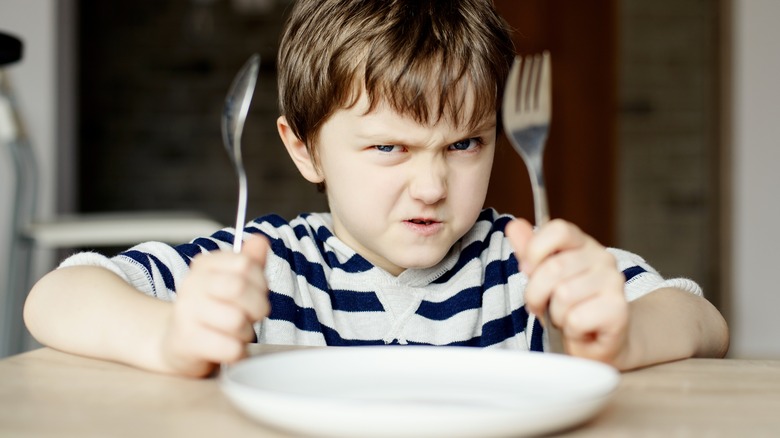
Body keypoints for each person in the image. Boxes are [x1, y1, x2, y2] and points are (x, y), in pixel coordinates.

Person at [23, 0, 729, 378]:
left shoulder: (526, 268)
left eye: (464, 144)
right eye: (389, 147)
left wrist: (618, 337)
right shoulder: (266, 263)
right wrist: (171, 337)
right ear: (303, 150)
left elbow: (701, 320)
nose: (431, 184)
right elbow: (55, 295)